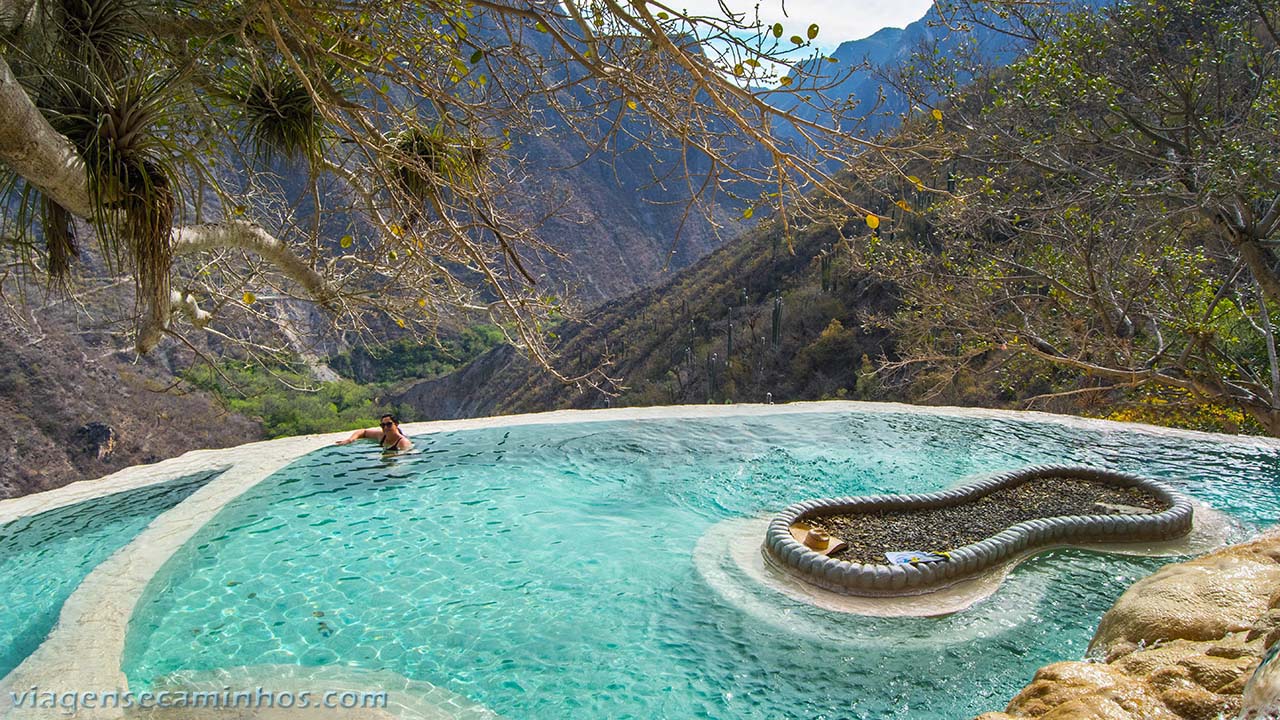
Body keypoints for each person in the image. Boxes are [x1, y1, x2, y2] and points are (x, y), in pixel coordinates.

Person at [336, 413, 413, 451]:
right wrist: (351, 439)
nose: (386, 427)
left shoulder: (403, 442)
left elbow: (404, 460)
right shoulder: (381, 435)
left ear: (396, 424)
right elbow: (364, 431)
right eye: (383, 425)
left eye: (389, 424)